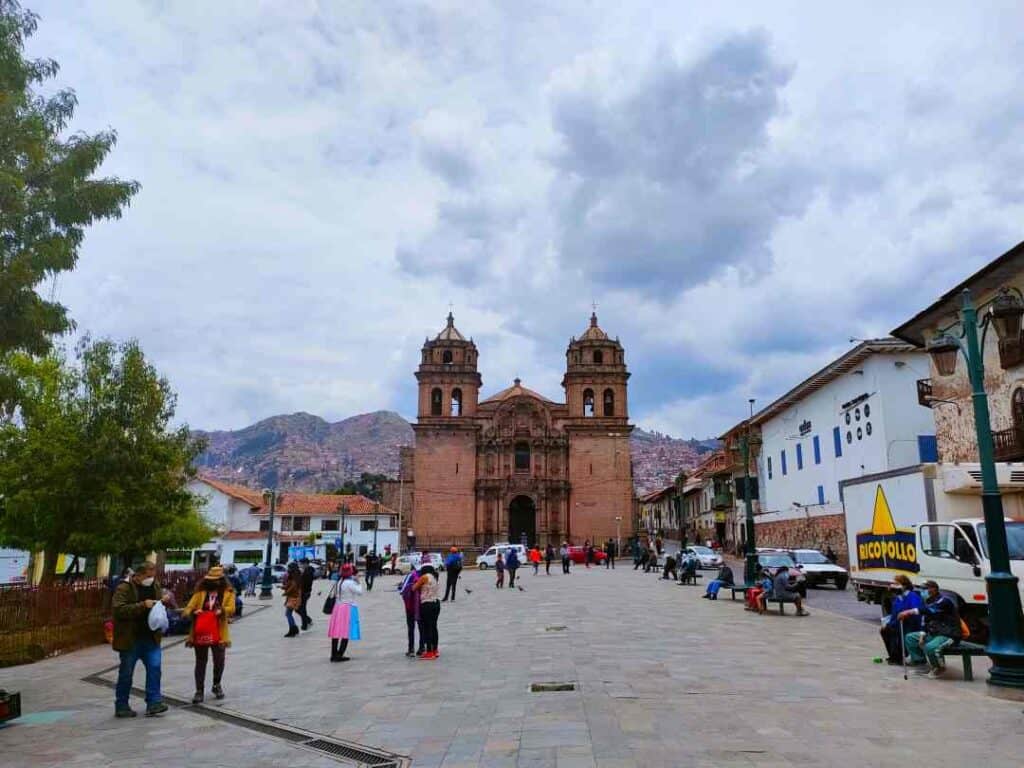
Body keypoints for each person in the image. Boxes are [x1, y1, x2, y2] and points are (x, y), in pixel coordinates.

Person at [111, 561, 171, 717]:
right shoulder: (124, 588)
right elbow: (119, 610)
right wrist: (142, 605)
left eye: (153, 576)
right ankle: (122, 705)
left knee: (155, 669)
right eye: (148, 576)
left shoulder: (155, 586)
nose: (151, 579)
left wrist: (163, 601)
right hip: (131, 639)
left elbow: (159, 603)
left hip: (151, 637)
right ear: (138, 575)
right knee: (126, 673)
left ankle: (154, 702)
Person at [181, 565, 236, 704]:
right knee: (201, 661)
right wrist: (194, 612)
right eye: (211, 580)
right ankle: (199, 690)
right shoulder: (200, 593)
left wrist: (222, 610)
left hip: (219, 631)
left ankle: (217, 684)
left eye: (216, 580)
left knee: (219, 660)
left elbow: (232, 608)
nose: (214, 583)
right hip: (201, 630)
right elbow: (188, 608)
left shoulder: (228, 592)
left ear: (222, 580)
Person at [899, 580, 962, 678]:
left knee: (930, 647)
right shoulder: (928, 602)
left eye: (925, 589)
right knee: (910, 638)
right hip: (934, 633)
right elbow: (924, 620)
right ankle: (920, 662)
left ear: (934, 589)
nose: (922, 592)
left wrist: (909, 612)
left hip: (948, 634)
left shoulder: (944, 600)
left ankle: (939, 668)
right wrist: (922, 634)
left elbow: (930, 610)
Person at [880, 575, 923, 664]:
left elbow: (915, 612)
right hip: (897, 622)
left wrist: (905, 615)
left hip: (909, 624)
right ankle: (893, 655)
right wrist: (887, 623)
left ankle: (899, 656)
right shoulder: (898, 598)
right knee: (885, 630)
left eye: (897, 584)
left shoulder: (912, 596)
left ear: (904, 585)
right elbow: (894, 613)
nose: (895, 586)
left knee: (896, 631)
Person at [327, 564, 363, 662]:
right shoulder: (350, 583)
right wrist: (358, 582)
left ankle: (333, 654)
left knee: (336, 632)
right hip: (348, 607)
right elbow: (360, 592)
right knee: (346, 632)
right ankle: (340, 654)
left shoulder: (339, 582)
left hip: (338, 607)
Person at [413, 564, 441, 659]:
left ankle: (429, 652)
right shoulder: (434, 577)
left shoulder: (424, 577)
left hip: (427, 604)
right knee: (434, 627)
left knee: (427, 628)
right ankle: (435, 650)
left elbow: (414, 588)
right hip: (436, 603)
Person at [400, 565, 423, 657]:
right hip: (422, 605)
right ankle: (422, 648)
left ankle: (411, 649)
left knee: (411, 628)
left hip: (410, 606)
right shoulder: (426, 575)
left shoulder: (411, 575)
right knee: (422, 628)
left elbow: (402, 590)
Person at [282, 561, 302, 637]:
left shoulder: (294, 577)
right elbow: (290, 585)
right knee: (288, 614)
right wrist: (283, 587)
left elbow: (293, 587)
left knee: (288, 614)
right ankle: (294, 629)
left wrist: (286, 592)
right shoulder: (296, 576)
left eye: (289, 568)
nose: (288, 569)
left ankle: (293, 630)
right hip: (294, 597)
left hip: (293, 598)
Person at [298, 558, 314, 630]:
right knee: (300, 608)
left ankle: (305, 625)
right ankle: (307, 620)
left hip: (305, 593)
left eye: (301, 564)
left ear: (305, 564)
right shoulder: (306, 571)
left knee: (301, 608)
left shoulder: (308, 572)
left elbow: (304, 583)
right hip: (305, 592)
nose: (300, 565)